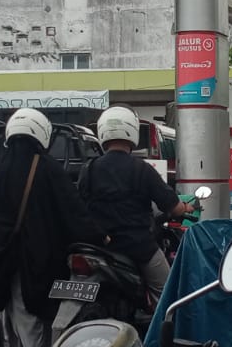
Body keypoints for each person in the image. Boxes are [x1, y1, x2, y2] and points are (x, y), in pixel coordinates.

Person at [0, 108, 106, 347]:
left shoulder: (1, 168)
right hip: (41, 259)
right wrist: (100, 237)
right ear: (41, 134)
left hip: (6, 259)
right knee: (43, 309)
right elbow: (72, 211)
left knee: (23, 311)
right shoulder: (47, 168)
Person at [79, 106, 192, 301]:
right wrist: (185, 207)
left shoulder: (89, 168)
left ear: (103, 131)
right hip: (137, 246)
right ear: (133, 131)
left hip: (98, 245)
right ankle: (165, 321)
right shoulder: (142, 169)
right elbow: (172, 206)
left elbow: (79, 204)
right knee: (169, 293)